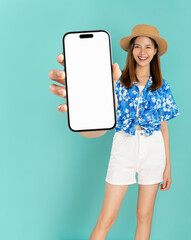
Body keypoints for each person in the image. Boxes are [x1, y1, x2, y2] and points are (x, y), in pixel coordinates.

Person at [48, 24, 179, 240]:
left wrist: (168, 167)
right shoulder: (117, 83)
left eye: (148, 47)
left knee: (144, 216)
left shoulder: (162, 86)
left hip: (154, 149)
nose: (142, 52)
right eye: (137, 47)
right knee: (106, 218)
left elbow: (164, 127)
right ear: (131, 50)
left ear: (155, 51)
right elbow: (100, 124)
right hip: (124, 145)